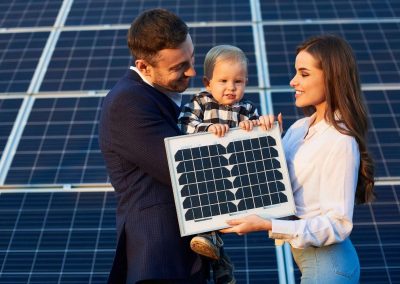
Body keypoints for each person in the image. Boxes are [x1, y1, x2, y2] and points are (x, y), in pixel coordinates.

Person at [220, 34, 375, 283]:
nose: (293, 81)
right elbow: (273, 186)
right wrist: (263, 138)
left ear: (331, 77)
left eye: (304, 73)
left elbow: (339, 224)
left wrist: (269, 225)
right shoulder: (299, 128)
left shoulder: (340, 140)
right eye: (295, 73)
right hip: (309, 260)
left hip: (331, 266)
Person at [99, 8, 209, 284]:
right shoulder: (128, 103)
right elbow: (185, 171)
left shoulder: (160, 96)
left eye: (191, 57)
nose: (193, 71)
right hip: (158, 259)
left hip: (181, 258)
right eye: (178, 67)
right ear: (144, 66)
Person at [178, 44, 272, 284]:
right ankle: (221, 266)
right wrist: (208, 128)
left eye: (238, 82)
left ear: (246, 82)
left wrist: (256, 126)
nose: (231, 87)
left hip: (234, 175)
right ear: (208, 83)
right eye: (223, 81)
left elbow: (260, 141)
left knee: (219, 220)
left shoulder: (247, 110)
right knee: (203, 219)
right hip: (205, 170)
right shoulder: (200, 103)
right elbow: (184, 124)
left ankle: (220, 259)